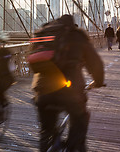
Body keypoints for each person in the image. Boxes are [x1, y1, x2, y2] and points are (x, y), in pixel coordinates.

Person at [33, 15, 104, 152]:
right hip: (70, 92)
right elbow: (96, 63)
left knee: (46, 130)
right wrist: (98, 81)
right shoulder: (78, 36)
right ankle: (74, 145)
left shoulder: (43, 33)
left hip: (42, 91)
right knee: (80, 118)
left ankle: (46, 143)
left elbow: (32, 60)